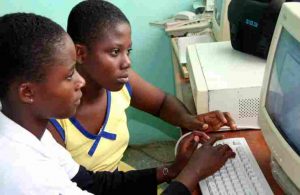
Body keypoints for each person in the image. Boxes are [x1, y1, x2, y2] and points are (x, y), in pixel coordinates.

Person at [0, 12, 235, 195]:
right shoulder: (27, 175)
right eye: (69, 75)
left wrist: (172, 171)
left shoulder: (29, 132)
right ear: (28, 92)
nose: (80, 81)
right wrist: (193, 173)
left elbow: (90, 182)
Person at [48, 0, 237, 173]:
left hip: (119, 177)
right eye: (115, 52)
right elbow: (77, 184)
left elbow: (162, 103)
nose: (127, 62)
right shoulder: (51, 117)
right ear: (80, 53)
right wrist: (175, 171)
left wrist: (190, 120)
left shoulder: (122, 82)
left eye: (128, 51)